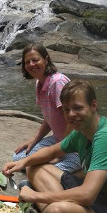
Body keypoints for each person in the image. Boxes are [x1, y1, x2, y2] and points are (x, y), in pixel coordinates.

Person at [3, 80, 107, 213]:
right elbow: (51, 151)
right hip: (99, 196)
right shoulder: (82, 131)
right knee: (33, 167)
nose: (71, 115)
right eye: (66, 109)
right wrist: (21, 163)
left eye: (77, 108)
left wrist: (37, 196)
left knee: (57, 210)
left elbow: (87, 195)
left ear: (93, 105)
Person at [13, 43, 80, 174]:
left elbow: (72, 120)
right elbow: (49, 118)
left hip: (76, 144)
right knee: (19, 157)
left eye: (35, 60)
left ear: (46, 59)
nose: (31, 64)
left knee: (44, 171)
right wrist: (34, 139)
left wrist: (59, 153)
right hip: (58, 139)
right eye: (27, 62)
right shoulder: (39, 83)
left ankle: (81, 170)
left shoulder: (57, 82)